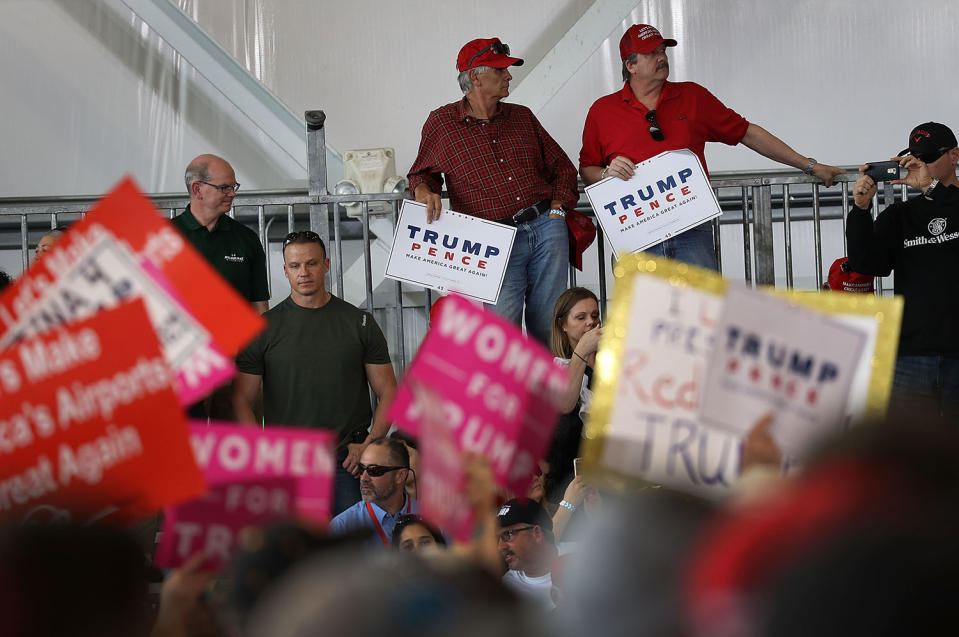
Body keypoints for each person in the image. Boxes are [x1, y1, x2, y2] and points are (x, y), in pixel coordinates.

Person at [579, 24, 844, 269]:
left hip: (692, 230)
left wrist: (810, 166)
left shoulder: (693, 96)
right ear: (631, 65)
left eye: (663, 50)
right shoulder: (602, 111)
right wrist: (606, 174)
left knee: (703, 313)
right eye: (651, 53)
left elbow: (747, 133)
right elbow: (587, 169)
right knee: (644, 318)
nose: (662, 57)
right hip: (636, 235)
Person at [408, 37, 580, 345]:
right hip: (492, 241)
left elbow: (564, 168)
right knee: (504, 335)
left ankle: (551, 393)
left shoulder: (522, 116)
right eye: (501, 71)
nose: (509, 76)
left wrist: (556, 212)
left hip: (546, 225)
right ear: (474, 77)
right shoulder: (442, 123)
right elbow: (420, 173)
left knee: (551, 327)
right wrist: (422, 189)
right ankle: (513, 394)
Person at [234, 232, 397, 515]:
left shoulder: (358, 322)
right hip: (289, 462)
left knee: (348, 551)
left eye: (311, 263)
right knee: (296, 552)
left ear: (326, 265)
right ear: (285, 271)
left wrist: (369, 445)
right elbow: (240, 400)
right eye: (295, 266)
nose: (304, 273)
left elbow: (390, 392)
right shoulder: (264, 328)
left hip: (347, 460)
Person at [846, 122, 959, 419]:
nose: (921, 167)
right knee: (908, 457)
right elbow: (867, 264)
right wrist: (860, 210)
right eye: (916, 159)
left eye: (929, 157)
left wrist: (932, 188)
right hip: (910, 355)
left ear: (954, 156)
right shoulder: (901, 215)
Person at [173, 154, 269, 314]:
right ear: (197, 189)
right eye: (224, 187)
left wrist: (265, 339)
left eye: (234, 186)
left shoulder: (246, 239)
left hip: (238, 338)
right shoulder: (163, 237)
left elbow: (260, 306)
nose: (232, 194)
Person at [544, 288, 602, 503]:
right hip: (569, 486)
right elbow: (564, 405)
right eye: (581, 317)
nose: (590, 322)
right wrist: (581, 352)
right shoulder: (554, 370)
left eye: (595, 316)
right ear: (563, 325)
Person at [329, 437, 416, 549]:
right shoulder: (341, 527)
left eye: (374, 470)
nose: (364, 478)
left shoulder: (430, 518)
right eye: (361, 469)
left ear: (400, 475)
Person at [497, 497, 559, 610]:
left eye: (508, 535)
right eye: (498, 538)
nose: (500, 547)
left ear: (537, 533)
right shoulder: (507, 590)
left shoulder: (580, 556)